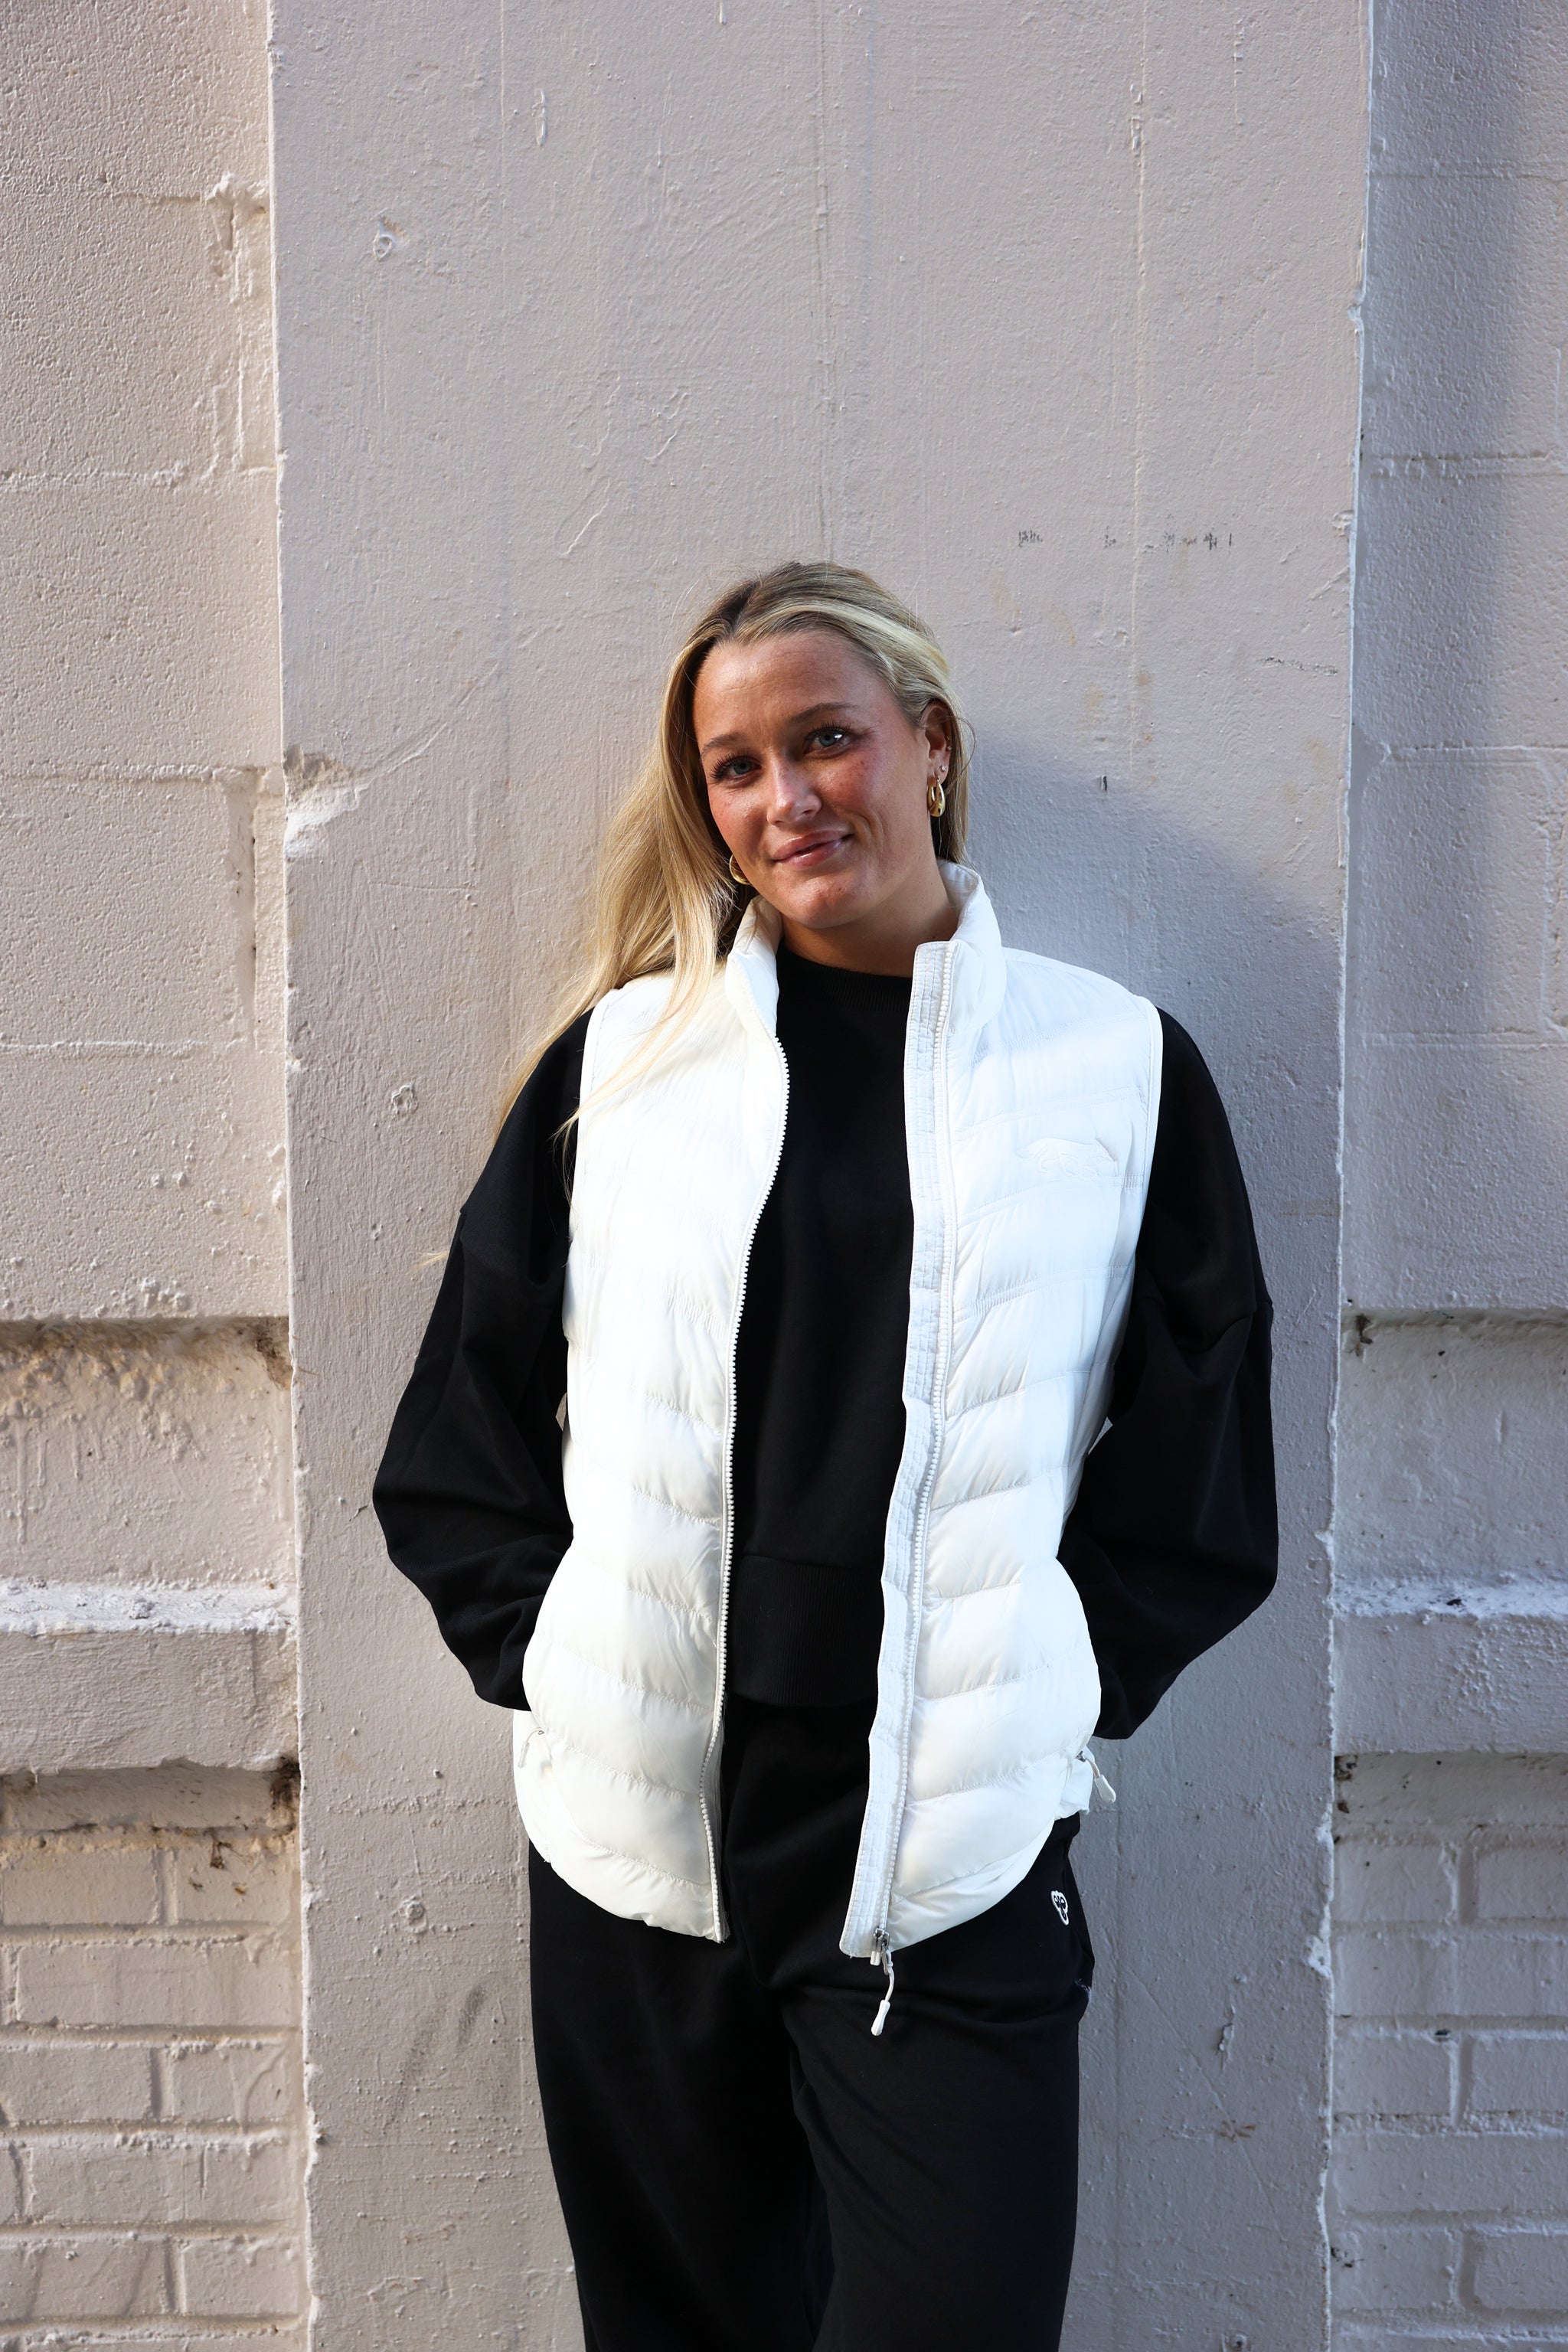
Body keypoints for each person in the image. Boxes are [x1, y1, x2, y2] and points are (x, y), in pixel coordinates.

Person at [373, 560, 1277, 2351]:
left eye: (826, 741)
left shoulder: (1113, 1070)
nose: (785, 797)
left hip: (952, 1851)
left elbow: (1204, 1469)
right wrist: (560, 1663)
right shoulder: (621, 1068)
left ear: (927, 747)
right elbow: (457, 1441)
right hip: (645, 1841)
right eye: (735, 767)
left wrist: (1050, 1680)